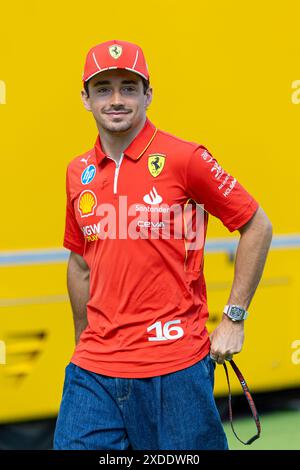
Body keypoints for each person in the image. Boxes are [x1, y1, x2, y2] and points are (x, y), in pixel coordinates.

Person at [53, 39, 272, 450]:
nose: (116, 100)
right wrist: (82, 342)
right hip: (94, 370)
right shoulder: (76, 172)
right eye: (103, 88)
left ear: (148, 94)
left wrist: (234, 317)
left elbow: (257, 226)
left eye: (128, 87)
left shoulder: (185, 158)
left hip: (174, 366)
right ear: (85, 98)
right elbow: (80, 263)